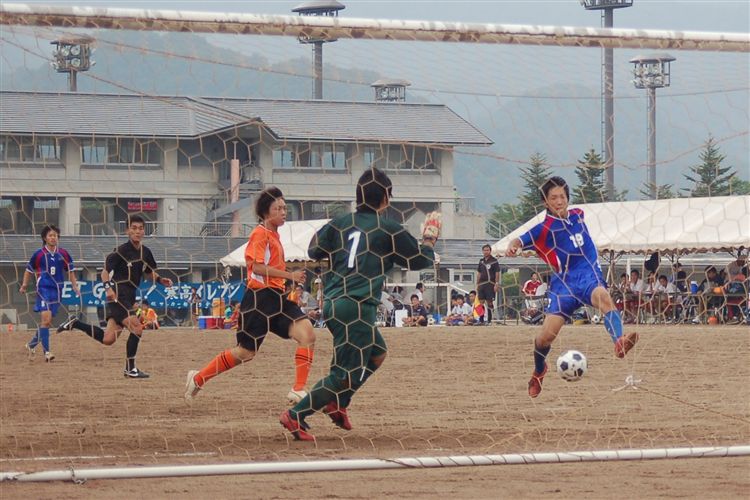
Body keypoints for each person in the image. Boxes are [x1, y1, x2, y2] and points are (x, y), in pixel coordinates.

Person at [280, 167, 439, 441]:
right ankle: (296, 414)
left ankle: (339, 403)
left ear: (358, 196)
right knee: (344, 373)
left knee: (378, 352)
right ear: (386, 198)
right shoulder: (388, 228)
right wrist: (428, 238)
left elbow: (314, 250)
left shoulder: (340, 223)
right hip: (357, 305)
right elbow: (420, 260)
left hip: (333, 303)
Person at [505, 176, 638, 398]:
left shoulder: (578, 215)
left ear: (568, 198)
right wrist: (513, 246)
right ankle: (539, 370)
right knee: (544, 338)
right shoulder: (542, 229)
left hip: (587, 275)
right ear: (545, 202)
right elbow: (519, 240)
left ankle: (619, 342)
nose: (559, 201)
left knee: (604, 297)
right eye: (553, 198)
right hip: (563, 285)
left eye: (562, 197)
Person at [183, 187, 316, 405]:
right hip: (258, 300)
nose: (284, 212)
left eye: (285, 208)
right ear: (265, 212)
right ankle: (198, 378)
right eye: (278, 208)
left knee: (307, 334)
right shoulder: (260, 234)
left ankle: (298, 389)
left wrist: (287, 279)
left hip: (277, 299)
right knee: (245, 353)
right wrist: (289, 275)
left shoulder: (274, 235)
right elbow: (256, 267)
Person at [57, 215, 172, 378]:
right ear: (127, 231)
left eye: (140, 228)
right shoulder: (121, 251)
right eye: (134, 228)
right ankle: (130, 369)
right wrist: (108, 289)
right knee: (137, 327)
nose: (137, 231)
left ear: (144, 231)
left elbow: (148, 271)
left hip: (129, 296)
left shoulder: (146, 252)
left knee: (108, 339)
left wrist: (160, 280)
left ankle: (75, 323)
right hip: (118, 294)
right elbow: (104, 272)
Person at [19, 224, 80, 362]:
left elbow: (70, 271)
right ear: (45, 238)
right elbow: (29, 271)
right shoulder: (39, 254)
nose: (53, 238)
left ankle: (31, 344)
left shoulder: (63, 253)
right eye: (50, 235)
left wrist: (75, 286)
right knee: (46, 320)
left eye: (55, 235)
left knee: (46, 323)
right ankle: (47, 352)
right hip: (44, 289)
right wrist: (24, 285)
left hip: (57, 291)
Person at [476, 244, 500, 325]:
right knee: (481, 301)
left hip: (490, 283)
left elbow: (497, 272)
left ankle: (489, 320)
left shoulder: (494, 261)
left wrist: (496, 283)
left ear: (490, 251)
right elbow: (479, 273)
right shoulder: (481, 261)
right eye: (484, 250)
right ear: (482, 251)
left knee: (489, 301)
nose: (486, 252)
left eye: (487, 250)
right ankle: (481, 320)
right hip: (482, 283)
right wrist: (477, 283)